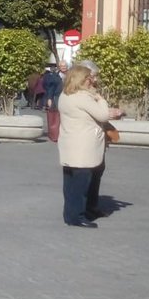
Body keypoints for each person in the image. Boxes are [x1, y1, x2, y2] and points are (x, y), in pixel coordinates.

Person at [57, 63, 123, 227]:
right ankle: (76, 217)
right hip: (83, 146)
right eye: (90, 77)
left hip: (72, 144)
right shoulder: (82, 96)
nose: (92, 81)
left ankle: (72, 214)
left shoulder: (66, 95)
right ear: (82, 79)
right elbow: (101, 115)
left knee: (71, 183)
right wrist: (100, 98)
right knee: (80, 184)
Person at [43, 61, 66, 142]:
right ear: (59, 67)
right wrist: (49, 98)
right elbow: (51, 88)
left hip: (67, 98)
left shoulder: (70, 76)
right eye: (62, 66)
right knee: (56, 116)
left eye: (65, 66)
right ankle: (55, 134)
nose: (64, 67)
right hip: (57, 97)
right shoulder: (55, 77)